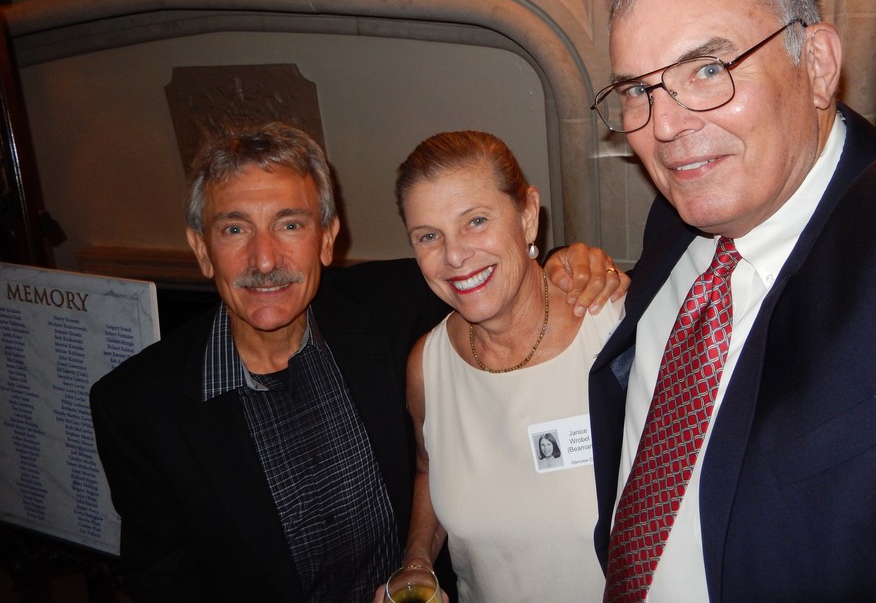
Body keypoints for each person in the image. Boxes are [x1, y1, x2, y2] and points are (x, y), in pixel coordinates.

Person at [588, 0, 876, 602]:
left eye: (708, 69)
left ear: (816, 64)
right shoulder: (679, 218)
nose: (663, 128)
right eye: (638, 90)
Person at [89, 122, 624, 603]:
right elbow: (164, 584)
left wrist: (573, 262)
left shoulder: (389, 312)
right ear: (201, 248)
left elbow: (493, 275)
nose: (265, 260)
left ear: (327, 238)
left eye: (290, 225)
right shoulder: (138, 408)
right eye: (234, 229)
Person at [392, 130, 624, 602]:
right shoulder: (427, 366)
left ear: (528, 215)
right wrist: (417, 560)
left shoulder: (615, 331)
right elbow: (428, 470)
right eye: (429, 236)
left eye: (475, 221)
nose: (454, 256)